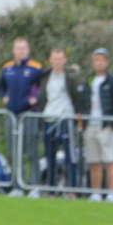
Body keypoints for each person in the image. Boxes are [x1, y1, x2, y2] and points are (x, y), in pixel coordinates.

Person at [78, 48, 113, 202]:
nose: (99, 63)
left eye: (102, 59)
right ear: (93, 63)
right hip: (90, 125)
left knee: (109, 160)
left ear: (107, 62)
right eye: (96, 60)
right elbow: (82, 101)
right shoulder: (89, 80)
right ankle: (96, 193)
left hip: (106, 126)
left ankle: (111, 193)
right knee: (94, 161)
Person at [36, 49, 84, 197]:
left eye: (60, 59)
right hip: (49, 119)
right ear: (50, 60)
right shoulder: (45, 76)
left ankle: (72, 189)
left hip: (65, 119)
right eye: (55, 59)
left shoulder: (70, 77)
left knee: (70, 156)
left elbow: (78, 97)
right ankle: (51, 190)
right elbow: (42, 97)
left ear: (65, 60)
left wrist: (79, 117)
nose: (57, 62)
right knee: (50, 156)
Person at [0, 37, 42, 193]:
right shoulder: (7, 68)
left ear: (28, 50)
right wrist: (4, 98)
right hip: (12, 115)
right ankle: (17, 186)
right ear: (13, 50)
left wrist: (33, 99)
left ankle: (34, 186)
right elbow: (1, 87)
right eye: (18, 48)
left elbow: (40, 87)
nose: (21, 51)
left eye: (23, 48)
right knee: (14, 152)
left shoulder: (36, 68)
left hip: (28, 115)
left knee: (32, 152)